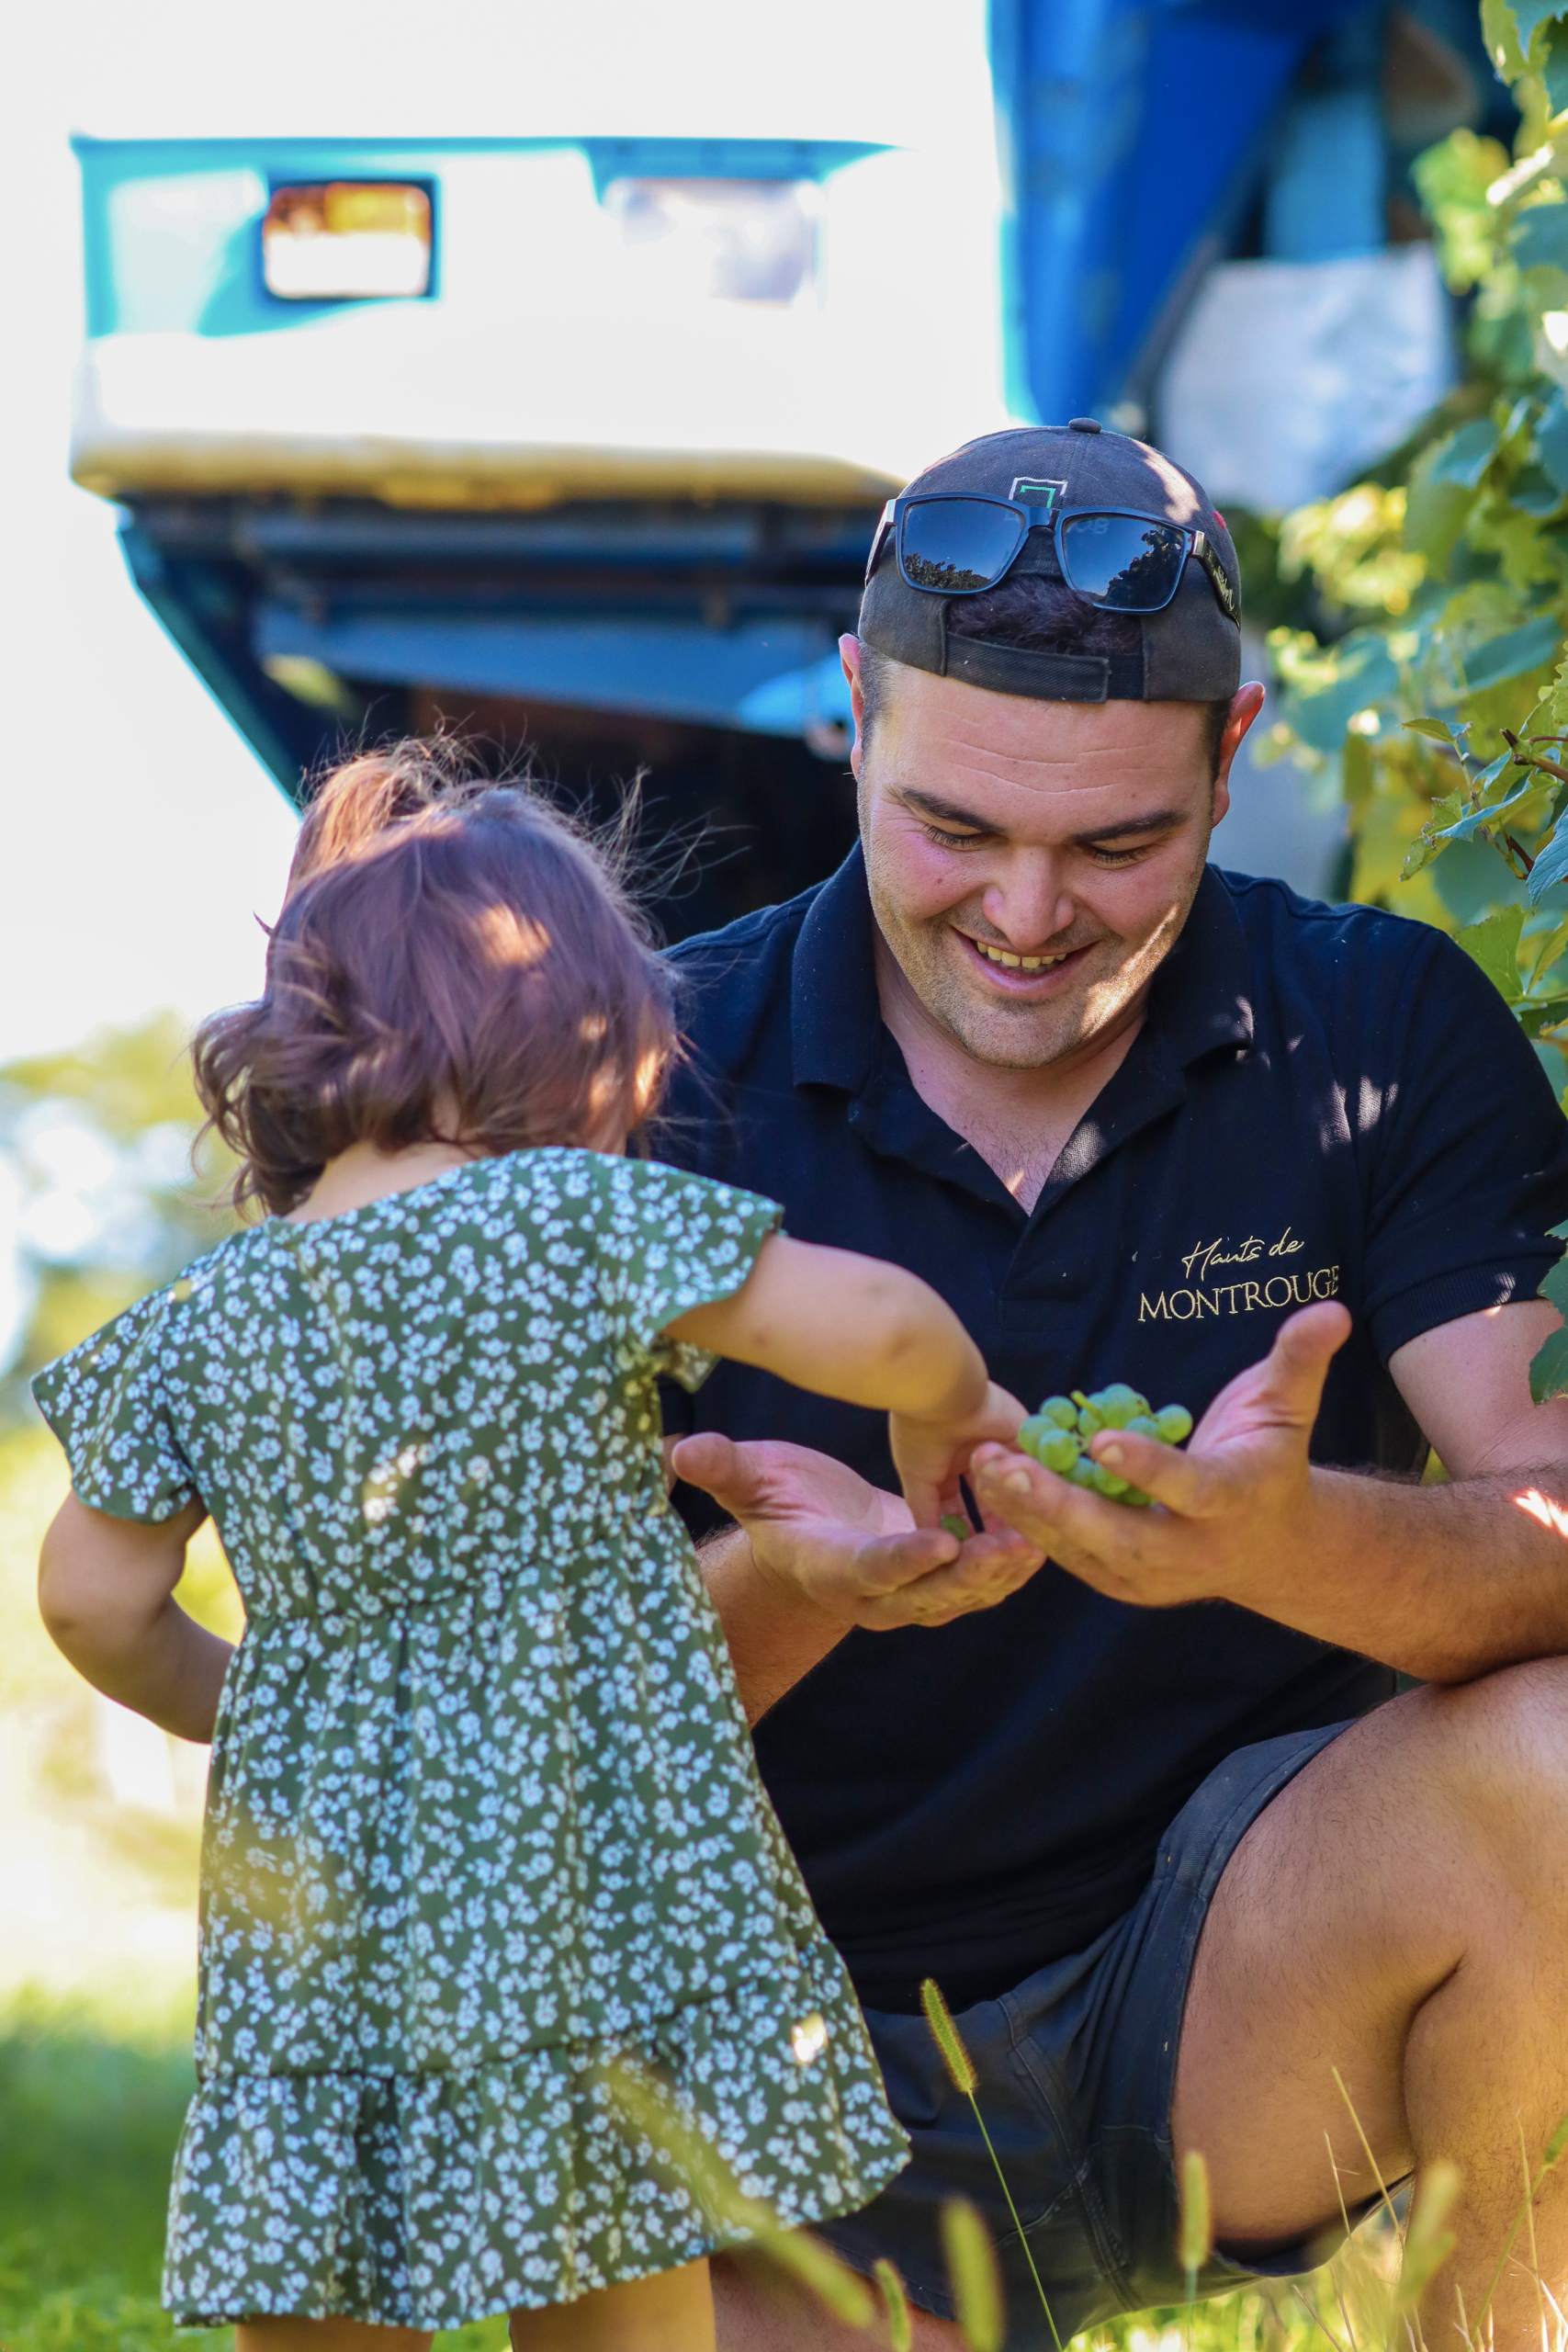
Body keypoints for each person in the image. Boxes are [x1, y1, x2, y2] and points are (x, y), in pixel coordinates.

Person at [656, 423, 1568, 2351]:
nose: (1025, 913)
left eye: (1116, 845)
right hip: (780, 2066)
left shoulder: (1376, 1026)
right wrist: (799, 1588)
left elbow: (1553, 1525)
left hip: (1235, 1998)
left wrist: (1279, 1541)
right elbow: (489, 1724)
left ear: (1232, 753)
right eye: (953, 829)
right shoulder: (647, 1075)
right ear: (853, 713)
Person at [29, 756, 1033, 2352]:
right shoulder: (565, 1223)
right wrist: (951, 1411)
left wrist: (268, 1703)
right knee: (609, 2235)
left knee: (325, 2242)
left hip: (323, 1917)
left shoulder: (197, 1321)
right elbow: (883, 1324)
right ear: (591, 1042)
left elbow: (89, 1601)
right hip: (580, 1885)